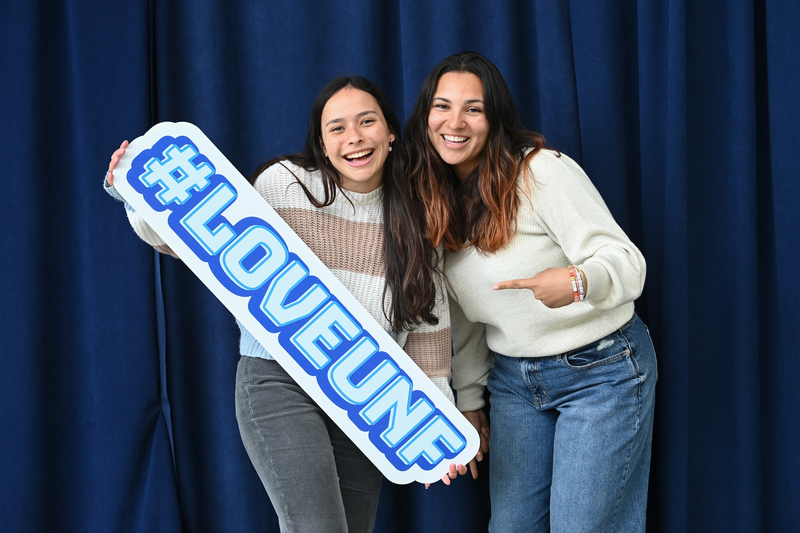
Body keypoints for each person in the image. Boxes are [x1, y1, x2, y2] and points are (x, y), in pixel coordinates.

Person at [105, 76, 459, 533]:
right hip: (279, 379)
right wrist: (132, 189)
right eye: (337, 128)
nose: (354, 137)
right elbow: (201, 238)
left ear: (390, 132)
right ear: (322, 142)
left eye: (367, 121)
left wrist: (434, 423)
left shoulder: (418, 211)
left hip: (369, 395)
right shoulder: (286, 183)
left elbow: (428, 325)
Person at [404, 52, 658, 532]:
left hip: (600, 371)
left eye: (473, 109)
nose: (454, 122)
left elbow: (628, 264)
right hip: (515, 384)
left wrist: (578, 281)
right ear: (426, 115)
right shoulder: (431, 200)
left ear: (494, 117)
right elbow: (466, 320)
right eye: (442, 106)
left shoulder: (541, 172)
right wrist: (471, 402)